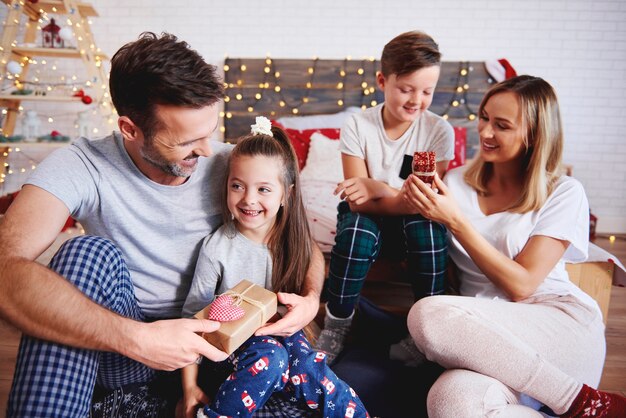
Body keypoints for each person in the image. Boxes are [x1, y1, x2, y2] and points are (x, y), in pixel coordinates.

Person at [0, 32, 323, 417]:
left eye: (210, 132)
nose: (207, 151)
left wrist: (311, 298)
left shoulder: (236, 170)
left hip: (213, 345)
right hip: (124, 345)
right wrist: (138, 338)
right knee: (86, 253)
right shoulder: (81, 165)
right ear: (130, 129)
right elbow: (5, 268)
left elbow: (301, 242)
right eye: (188, 141)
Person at [404, 75, 626, 417]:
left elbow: (522, 285)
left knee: (429, 314)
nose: (486, 132)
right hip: (486, 340)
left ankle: (579, 401)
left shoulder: (564, 192)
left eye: (502, 125)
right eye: (484, 117)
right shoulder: (454, 183)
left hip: (556, 326)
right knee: (450, 400)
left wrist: (456, 221)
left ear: (535, 135)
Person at [179, 117, 370, 418]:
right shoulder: (217, 248)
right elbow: (193, 320)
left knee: (306, 361)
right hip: (227, 355)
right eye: (237, 186)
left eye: (264, 189)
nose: (249, 199)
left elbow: (312, 263)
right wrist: (189, 388)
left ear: (287, 194)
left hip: (282, 349)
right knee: (270, 352)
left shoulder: (292, 239)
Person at [315, 30, 455, 364]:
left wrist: (378, 188)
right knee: (356, 235)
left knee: (429, 230)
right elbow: (356, 201)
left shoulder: (437, 131)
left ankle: (424, 334)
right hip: (368, 217)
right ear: (382, 80)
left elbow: (426, 201)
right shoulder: (358, 125)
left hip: (412, 219)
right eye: (406, 89)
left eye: (427, 91)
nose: (416, 100)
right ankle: (337, 325)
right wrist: (390, 195)